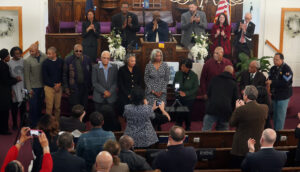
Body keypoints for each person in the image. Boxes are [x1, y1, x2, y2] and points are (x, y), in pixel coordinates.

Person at [229, 85, 268, 168]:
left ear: (245, 96)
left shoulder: (240, 110)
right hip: (257, 146)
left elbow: (232, 123)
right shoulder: (265, 108)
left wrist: (237, 109)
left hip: (240, 148)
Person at [202, 66, 238, 131]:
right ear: (232, 73)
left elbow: (208, 94)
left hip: (212, 108)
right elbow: (235, 100)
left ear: (223, 70)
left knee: (206, 130)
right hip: (225, 110)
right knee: (223, 132)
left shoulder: (214, 79)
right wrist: (231, 112)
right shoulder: (233, 83)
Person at [267, 53, 293, 131]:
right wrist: (270, 88)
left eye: (277, 59)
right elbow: (270, 78)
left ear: (282, 60)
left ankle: (279, 134)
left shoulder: (287, 69)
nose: (274, 61)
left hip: (283, 96)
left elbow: (286, 83)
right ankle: (275, 132)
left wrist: (272, 82)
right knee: (275, 115)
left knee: (280, 116)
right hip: (275, 95)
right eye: (274, 59)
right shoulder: (273, 68)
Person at [24, 44, 47, 127]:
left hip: (43, 86)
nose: (30, 53)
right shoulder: (27, 60)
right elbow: (26, 76)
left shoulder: (44, 57)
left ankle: (39, 123)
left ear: (37, 50)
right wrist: (29, 89)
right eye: (29, 51)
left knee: (40, 106)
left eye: (32, 51)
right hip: (33, 87)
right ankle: (33, 125)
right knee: (33, 107)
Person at [63, 44, 92, 110]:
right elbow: (64, 75)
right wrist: (66, 87)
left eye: (80, 51)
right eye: (76, 51)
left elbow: (90, 73)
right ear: (73, 51)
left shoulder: (87, 59)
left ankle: (83, 120)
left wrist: (90, 86)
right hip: (73, 88)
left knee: (84, 107)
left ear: (82, 51)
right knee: (74, 108)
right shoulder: (68, 60)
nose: (78, 52)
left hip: (84, 88)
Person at [173, 58, 199, 130]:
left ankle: (188, 126)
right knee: (179, 112)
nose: (181, 67)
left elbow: (195, 88)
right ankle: (178, 125)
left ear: (188, 67)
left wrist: (186, 93)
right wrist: (177, 91)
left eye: (184, 66)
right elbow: (175, 84)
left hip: (189, 98)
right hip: (179, 97)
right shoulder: (178, 73)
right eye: (181, 66)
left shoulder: (194, 76)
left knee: (187, 113)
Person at [0, 49, 20, 135]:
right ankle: (4, 129)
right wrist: (16, 80)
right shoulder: (4, 66)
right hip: (4, 92)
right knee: (4, 111)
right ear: (5, 57)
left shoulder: (1, 64)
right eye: (8, 55)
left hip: (2, 91)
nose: (9, 57)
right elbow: (6, 81)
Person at [42, 46, 64, 120]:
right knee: (49, 107)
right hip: (49, 87)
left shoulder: (61, 61)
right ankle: (48, 124)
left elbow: (63, 73)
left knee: (57, 107)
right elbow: (45, 77)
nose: (48, 55)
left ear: (55, 54)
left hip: (59, 86)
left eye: (50, 54)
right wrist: (53, 85)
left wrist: (60, 84)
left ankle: (56, 123)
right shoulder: (45, 63)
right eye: (47, 53)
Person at [8, 47, 26, 130]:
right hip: (14, 88)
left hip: (23, 87)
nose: (18, 55)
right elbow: (8, 77)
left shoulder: (23, 61)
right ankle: (15, 123)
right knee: (14, 107)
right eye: (16, 53)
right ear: (13, 54)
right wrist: (11, 89)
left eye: (19, 53)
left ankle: (23, 123)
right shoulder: (9, 63)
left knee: (23, 106)